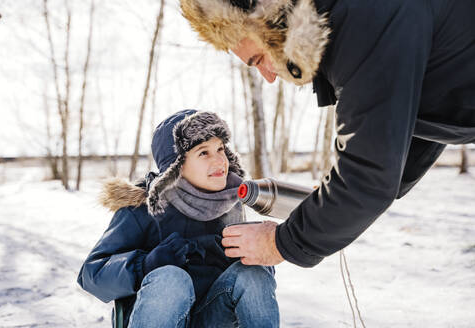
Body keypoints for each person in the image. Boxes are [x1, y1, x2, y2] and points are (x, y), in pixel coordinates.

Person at [179, 0, 475, 267]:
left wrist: (280, 243)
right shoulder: (352, 18)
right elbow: (411, 122)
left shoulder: (362, 18)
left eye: (259, 58)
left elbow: (368, 177)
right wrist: (332, 205)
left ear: (272, 17)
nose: (268, 76)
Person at [77, 110, 279, 328]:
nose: (220, 159)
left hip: (212, 317)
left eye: (220, 148)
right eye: (204, 153)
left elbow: (246, 285)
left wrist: (257, 253)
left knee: (253, 274)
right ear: (176, 166)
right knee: (171, 278)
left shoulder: (230, 201)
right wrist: (144, 265)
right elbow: (91, 275)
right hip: (158, 315)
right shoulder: (144, 209)